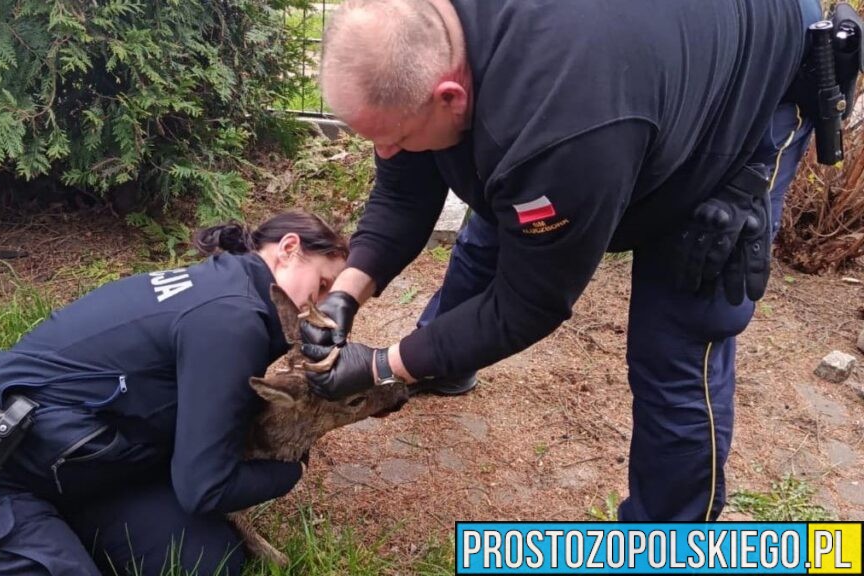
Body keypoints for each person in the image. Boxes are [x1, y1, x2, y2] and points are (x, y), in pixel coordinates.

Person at [301, 0, 837, 521]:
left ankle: (667, 543)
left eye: (392, 138)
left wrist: (380, 365)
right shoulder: (421, 37)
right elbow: (402, 194)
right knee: (496, 213)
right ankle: (444, 361)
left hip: (752, 82)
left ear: (451, 95)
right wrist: (347, 293)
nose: (386, 152)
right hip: (628, 69)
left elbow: (530, 301)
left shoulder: (561, 131)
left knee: (677, 339)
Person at [0, 212, 348, 575]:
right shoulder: (231, 319)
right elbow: (206, 487)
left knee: (208, 561)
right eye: (324, 284)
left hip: (86, 471)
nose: (324, 303)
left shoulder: (229, 289)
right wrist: (290, 470)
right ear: (289, 248)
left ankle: (64, 535)